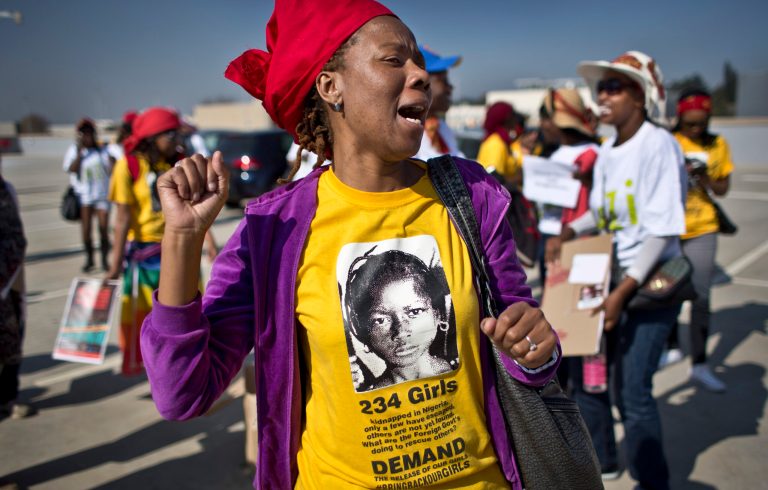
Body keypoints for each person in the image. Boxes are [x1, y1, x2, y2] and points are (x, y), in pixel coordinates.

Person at [140, 1, 560, 488]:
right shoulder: (274, 229)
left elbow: (526, 353)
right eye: (393, 60)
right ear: (330, 86)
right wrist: (184, 240)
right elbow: (182, 395)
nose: (419, 74)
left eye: (419, 61)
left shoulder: (471, 197)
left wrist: (535, 350)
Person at [546, 51, 686, 489]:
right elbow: (606, 217)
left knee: (635, 394)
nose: (603, 95)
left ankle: (653, 481)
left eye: (615, 86)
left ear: (641, 96)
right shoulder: (607, 151)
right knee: (594, 381)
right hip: (607, 277)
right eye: (601, 87)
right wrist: (569, 231)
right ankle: (606, 459)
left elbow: (660, 233)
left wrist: (621, 295)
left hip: (645, 288)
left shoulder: (659, 145)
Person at [663, 88, 733, 392]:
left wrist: (704, 176)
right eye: (689, 123)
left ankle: (700, 364)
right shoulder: (669, 141)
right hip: (672, 228)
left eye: (700, 123)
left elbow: (723, 188)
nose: (695, 129)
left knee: (701, 296)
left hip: (702, 228)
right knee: (668, 292)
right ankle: (673, 346)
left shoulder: (718, 144)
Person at [105, 107, 184, 376]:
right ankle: (151, 369)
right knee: (144, 318)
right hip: (144, 258)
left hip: (179, 251)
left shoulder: (177, 164)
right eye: (170, 134)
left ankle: (175, 369)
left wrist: (206, 243)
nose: (176, 139)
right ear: (152, 137)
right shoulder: (128, 166)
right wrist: (115, 265)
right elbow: (122, 218)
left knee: (179, 318)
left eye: (178, 133)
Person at [343, 247, 456, 392]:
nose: (401, 331)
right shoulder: (366, 394)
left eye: (415, 312)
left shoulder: (470, 369)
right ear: (363, 331)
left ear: (438, 314)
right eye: (380, 320)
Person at [0, 154, 35, 419]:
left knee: (12, 345)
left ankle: (8, 399)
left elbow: (17, 237)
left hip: (9, 283)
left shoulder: (7, 190)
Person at [63, 119, 113, 272]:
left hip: (103, 195)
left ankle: (105, 260)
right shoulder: (75, 150)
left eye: (90, 133)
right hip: (85, 196)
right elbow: (70, 169)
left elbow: (112, 169)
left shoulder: (102, 150)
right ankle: (90, 259)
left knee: (103, 228)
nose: (87, 137)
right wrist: (79, 153)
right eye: (84, 134)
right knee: (86, 230)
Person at [412, 45, 464, 160]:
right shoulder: (405, 133)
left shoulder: (441, 128)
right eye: (443, 80)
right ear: (419, 82)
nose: (450, 87)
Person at [476, 102, 523, 184]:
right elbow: (493, 178)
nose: (516, 118)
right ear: (506, 119)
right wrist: (518, 178)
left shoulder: (503, 141)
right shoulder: (496, 143)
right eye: (513, 114)